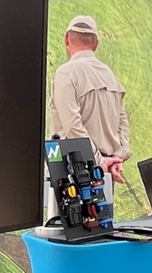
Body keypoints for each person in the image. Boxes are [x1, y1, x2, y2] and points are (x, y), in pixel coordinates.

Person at [50, 14, 131, 183]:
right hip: (105, 170)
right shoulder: (110, 75)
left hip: (74, 171)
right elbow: (122, 120)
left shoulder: (66, 73)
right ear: (96, 44)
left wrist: (98, 161)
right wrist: (116, 156)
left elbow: (72, 125)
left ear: (66, 39)